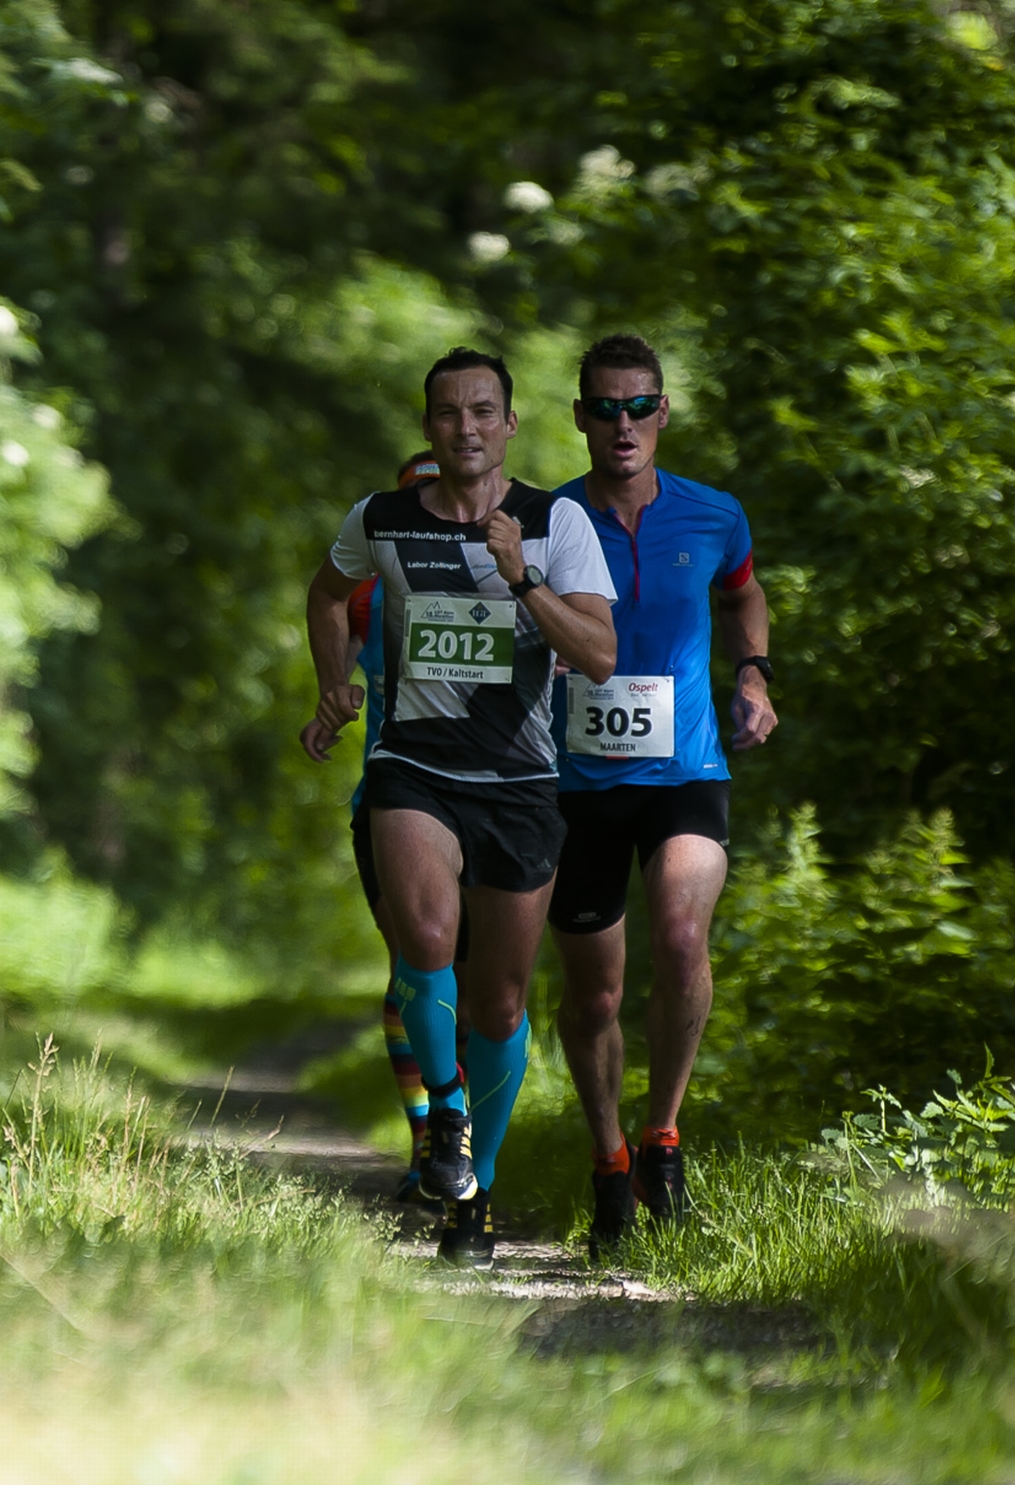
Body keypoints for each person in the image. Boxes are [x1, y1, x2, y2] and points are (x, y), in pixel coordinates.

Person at [303, 348, 618, 1268]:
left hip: (519, 784)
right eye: (448, 413)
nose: (466, 428)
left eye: (483, 411)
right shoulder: (383, 518)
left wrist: (523, 577)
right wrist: (333, 684)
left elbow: (598, 656)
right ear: (429, 427)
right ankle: (446, 1115)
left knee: (501, 1002)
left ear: (510, 424)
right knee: (428, 943)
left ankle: (473, 1195)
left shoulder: (556, 522)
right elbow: (326, 594)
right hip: (414, 767)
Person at [547, 334, 775, 1255]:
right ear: (580, 417)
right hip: (576, 782)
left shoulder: (714, 513)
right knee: (594, 995)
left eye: (639, 405)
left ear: (663, 412)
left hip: (686, 770)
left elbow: (744, 596)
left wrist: (753, 676)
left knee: (682, 938)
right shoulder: (548, 519)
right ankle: (608, 1161)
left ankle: (662, 1142)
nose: (624, 423)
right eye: (605, 407)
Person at [324, 453, 444, 1197]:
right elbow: (334, 627)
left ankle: (463, 1131)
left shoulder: (510, 572)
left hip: (494, 800)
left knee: (475, 983)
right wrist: (331, 698)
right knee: (411, 968)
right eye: (415, 497)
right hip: (390, 798)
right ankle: (428, 1136)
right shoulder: (371, 592)